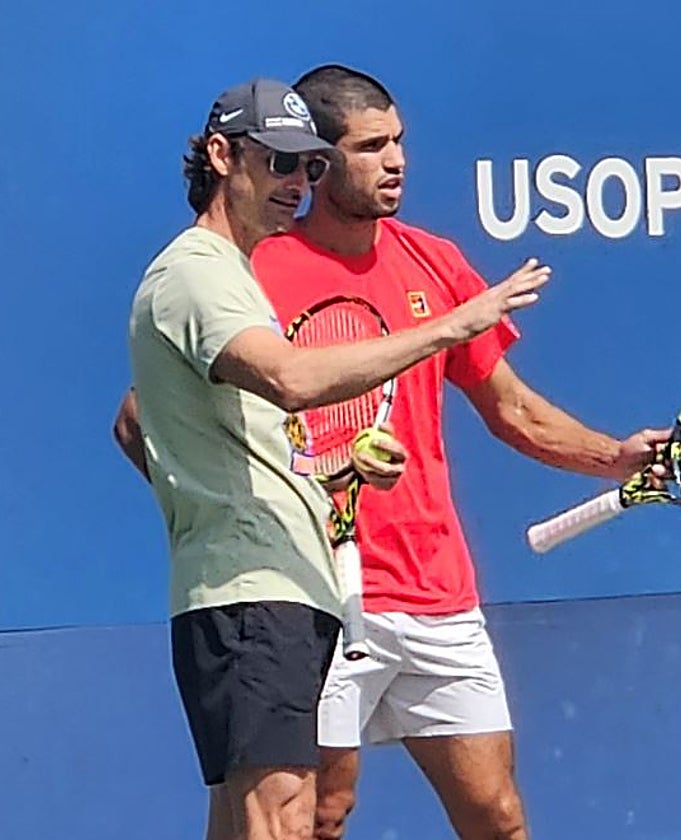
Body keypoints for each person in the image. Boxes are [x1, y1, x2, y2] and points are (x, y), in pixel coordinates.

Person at [126, 76, 550, 840]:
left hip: (287, 583)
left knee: (254, 824)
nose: (295, 184)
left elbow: (229, 434)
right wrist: (451, 328)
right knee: (284, 822)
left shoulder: (229, 273)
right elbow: (290, 380)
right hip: (252, 591)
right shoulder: (199, 270)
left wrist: (314, 482)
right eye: (277, 164)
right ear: (222, 157)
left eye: (306, 167)